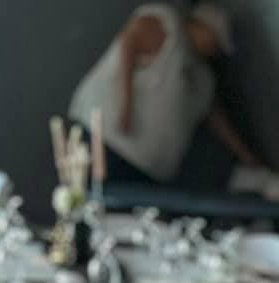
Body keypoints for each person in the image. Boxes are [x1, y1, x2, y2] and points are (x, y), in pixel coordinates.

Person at [69, 2, 261, 187]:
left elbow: (217, 120)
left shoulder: (203, 78)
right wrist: (125, 106)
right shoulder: (168, 26)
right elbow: (130, 42)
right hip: (107, 140)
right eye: (214, 40)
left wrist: (248, 158)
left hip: (145, 167)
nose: (214, 49)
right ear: (201, 26)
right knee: (89, 198)